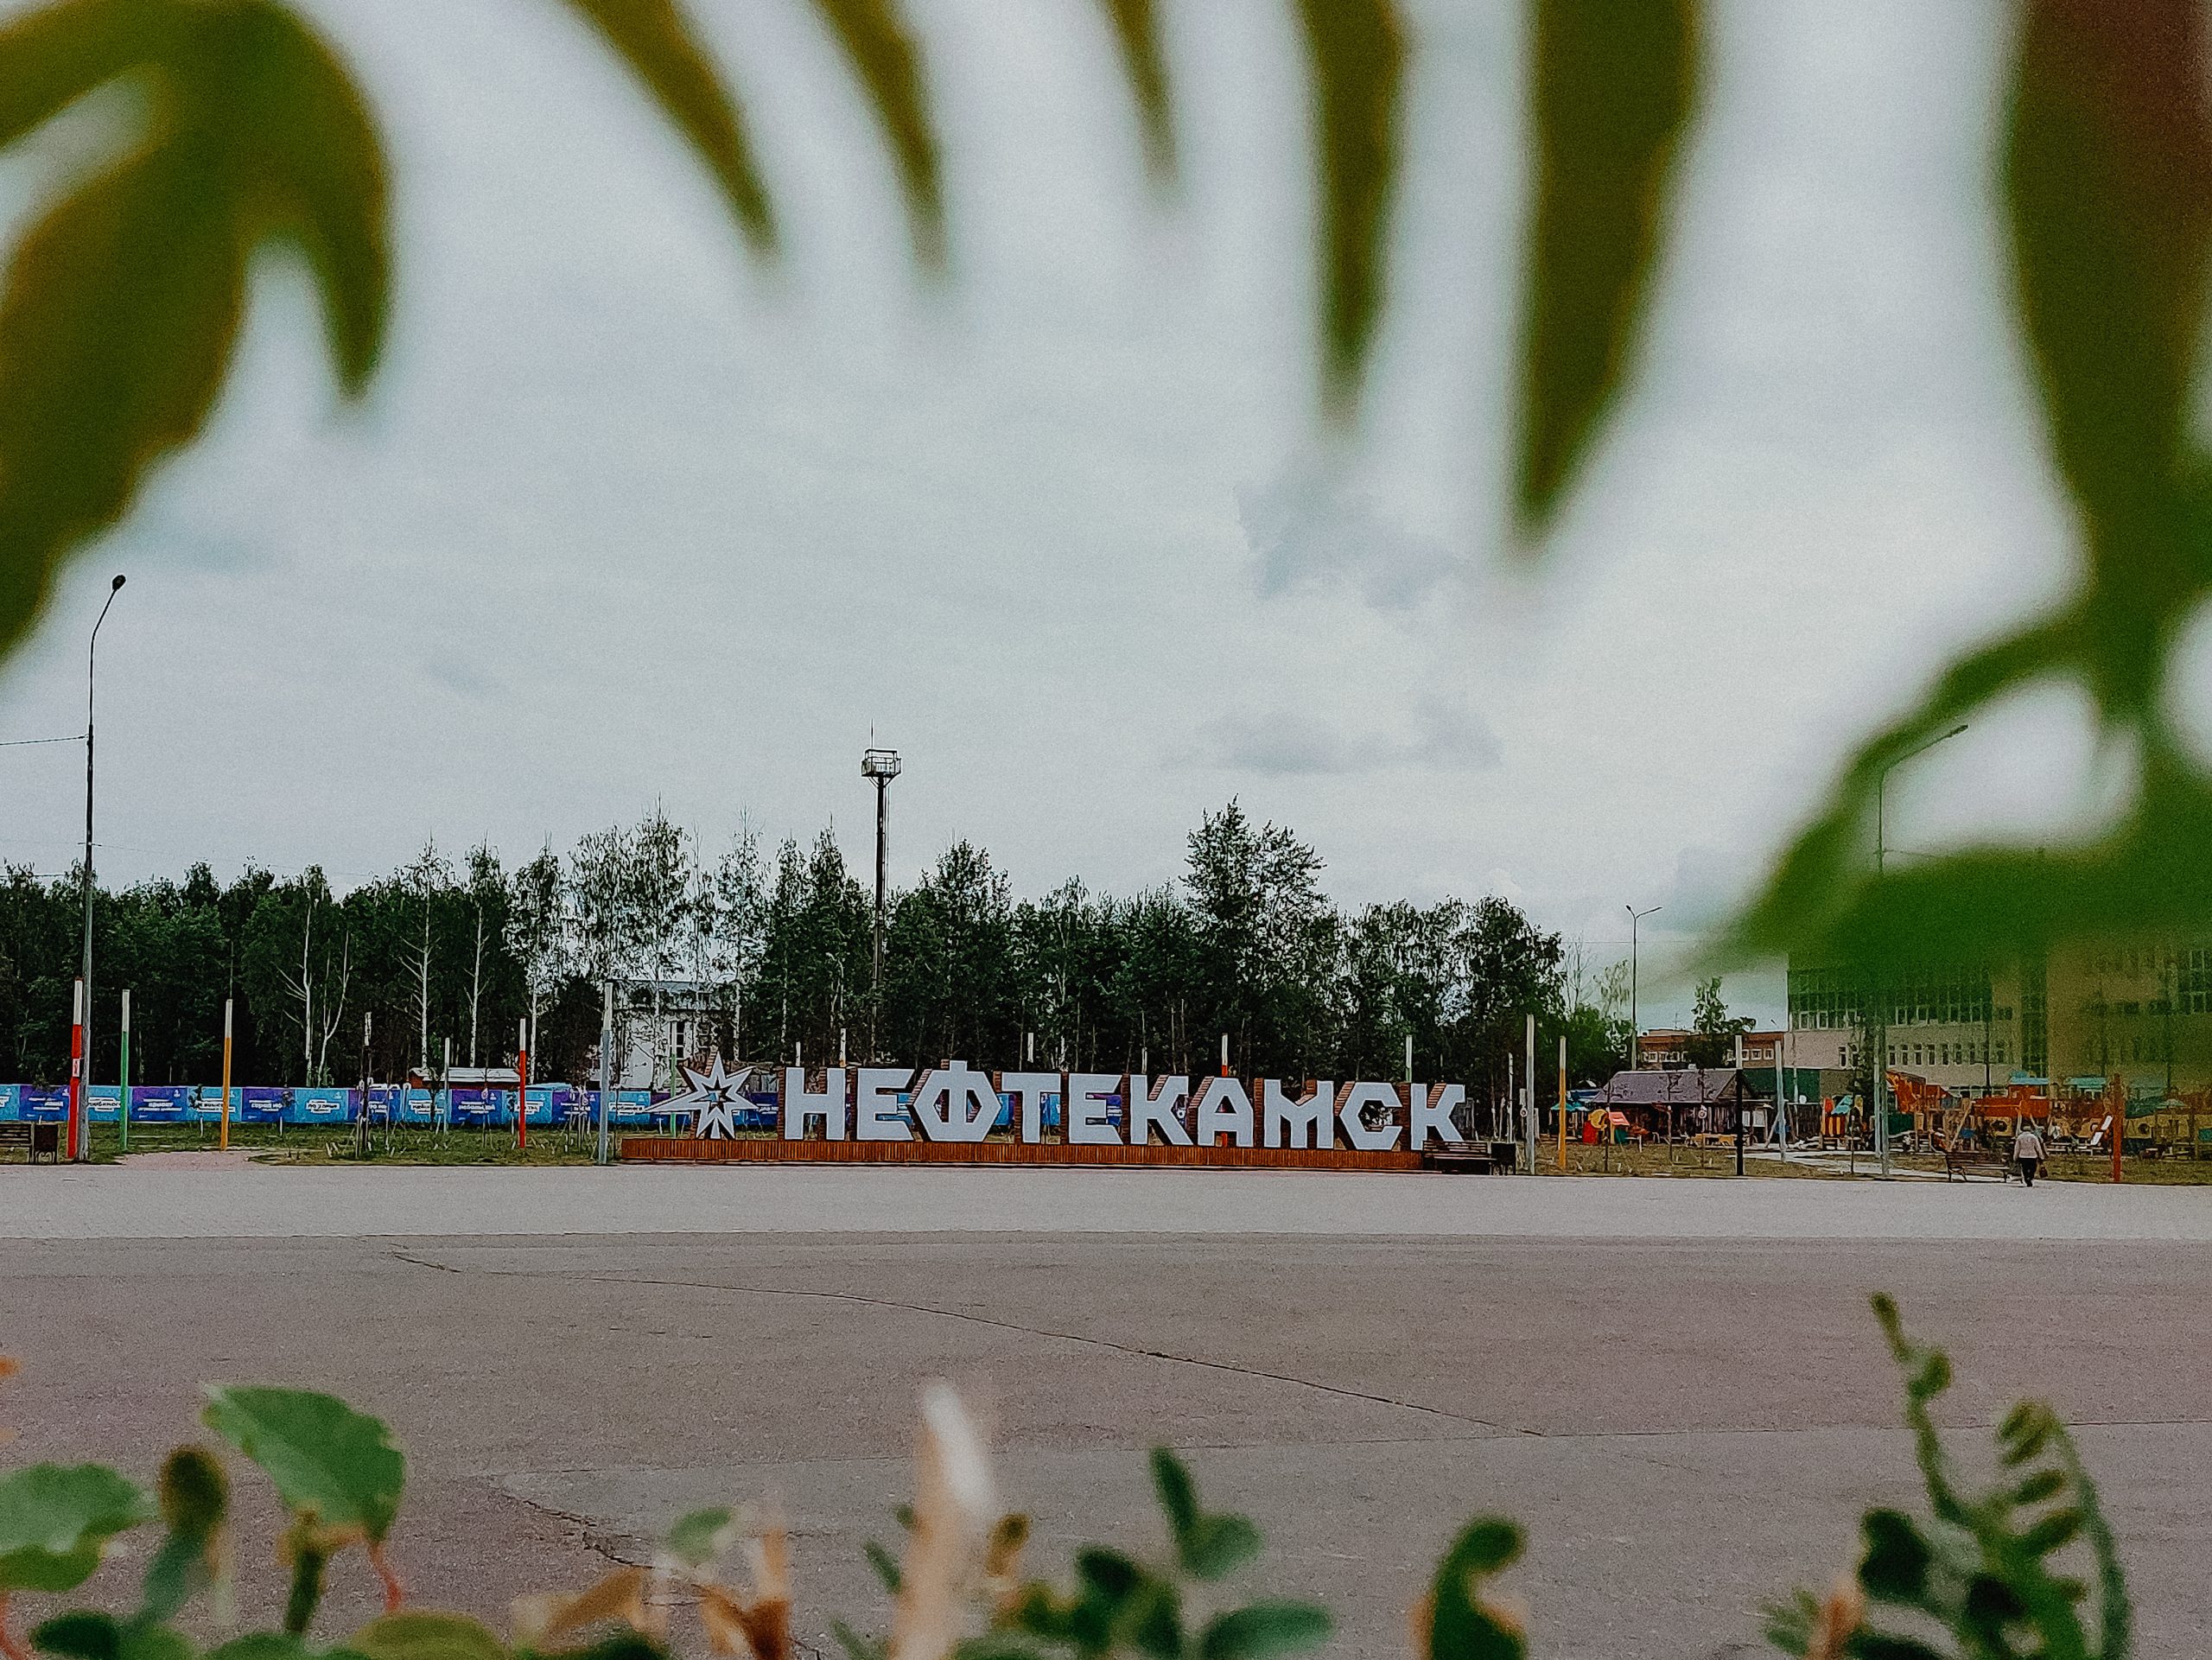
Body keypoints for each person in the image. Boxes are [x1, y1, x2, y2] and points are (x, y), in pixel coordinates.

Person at [2014, 1121, 2045, 1187]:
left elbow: (2017, 1148)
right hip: (2032, 1155)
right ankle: (2030, 1177)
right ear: (2030, 1130)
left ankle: (2026, 1178)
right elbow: (2038, 1147)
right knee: (2033, 1168)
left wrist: (2015, 1157)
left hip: (2023, 1155)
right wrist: (2041, 1156)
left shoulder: (2020, 1137)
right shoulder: (2034, 1137)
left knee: (2024, 1168)